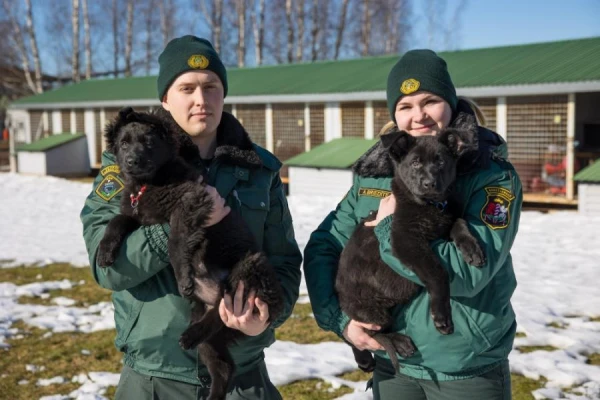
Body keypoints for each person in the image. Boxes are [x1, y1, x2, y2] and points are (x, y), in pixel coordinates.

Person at [80, 35, 302, 399]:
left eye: (211, 87)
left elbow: (285, 261)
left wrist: (265, 316)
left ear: (223, 94)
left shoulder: (259, 168)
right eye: (187, 88)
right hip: (154, 378)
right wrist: (181, 222)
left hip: (240, 375)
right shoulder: (128, 163)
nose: (201, 100)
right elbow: (108, 269)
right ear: (165, 99)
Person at [304, 49, 522, 400]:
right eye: (404, 106)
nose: (418, 115)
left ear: (450, 103)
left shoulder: (489, 174)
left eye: (430, 101)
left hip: (463, 365)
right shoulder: (375, 174)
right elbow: (325, 245)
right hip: (395, 364)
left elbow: (469, 275)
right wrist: (341, 321)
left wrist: (389, 229)